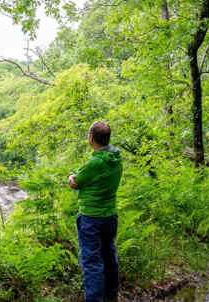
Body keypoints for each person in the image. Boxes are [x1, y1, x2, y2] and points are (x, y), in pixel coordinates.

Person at [68, 121, 123, 302]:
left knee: (92, 263)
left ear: (91, 138)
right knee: (109, 256)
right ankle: (111, 296)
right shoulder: (116, 157)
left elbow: (76, 182)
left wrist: (71, 176)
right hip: (110, 217)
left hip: (91, 219)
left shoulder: (95, 162)